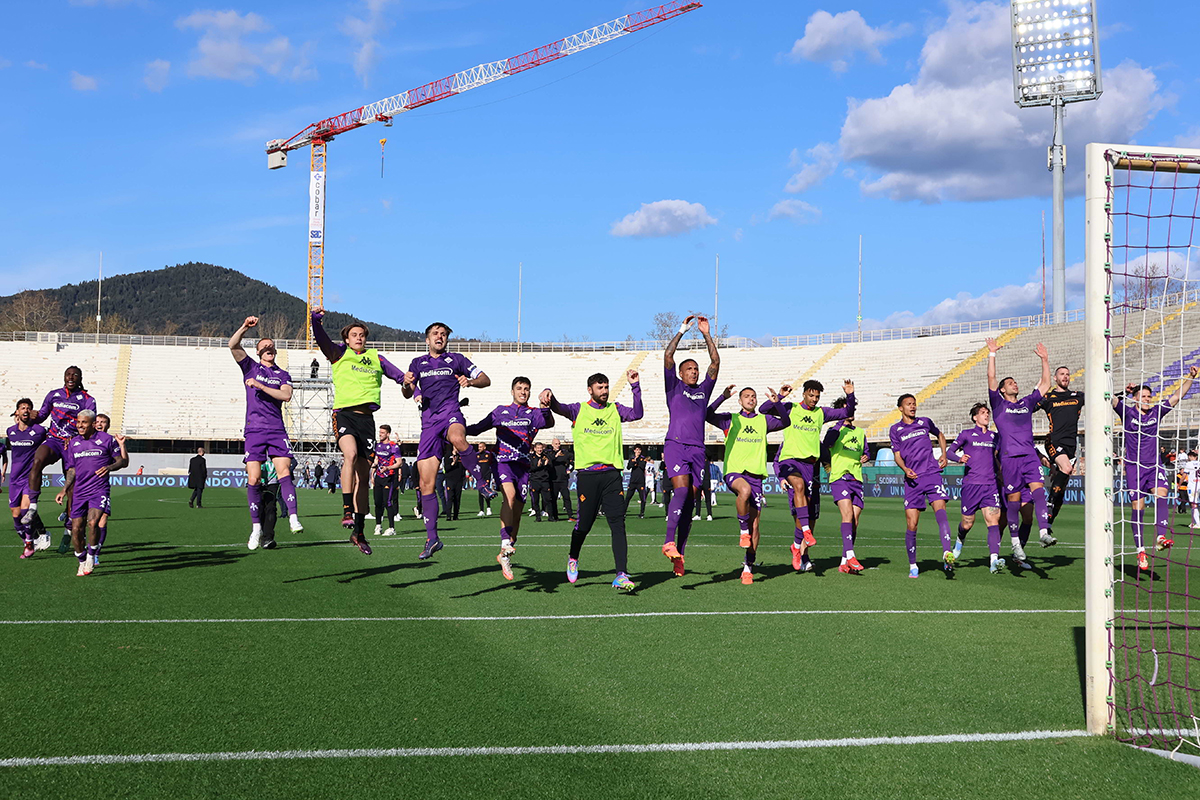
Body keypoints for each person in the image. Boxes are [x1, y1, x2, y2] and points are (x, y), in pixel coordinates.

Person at [311, 309, 407, 555]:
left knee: (364, 478)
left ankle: (359, 532)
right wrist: (315, 321)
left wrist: (410, 384)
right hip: (344, 414)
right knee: (350, 455)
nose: (359, 338)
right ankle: (346, 510)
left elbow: (399, 376)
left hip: (367, 420)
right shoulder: (339, 353)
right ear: (346, 339)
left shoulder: (376, 358)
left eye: (362, 335)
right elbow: (321, 339)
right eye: (354, 335)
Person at [542, 370, 644, 591]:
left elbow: (637, 414)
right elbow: (559, 407)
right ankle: (573, 557)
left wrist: (635, 387)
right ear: (590, 390)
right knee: (584, 525)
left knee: (618, 523)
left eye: (606, 387)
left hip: (612, 475)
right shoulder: (579, 409)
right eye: (600, 387)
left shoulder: (615, 409)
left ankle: (621, 574)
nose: (604, 391)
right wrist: (550, 395)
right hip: (588, 476)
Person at [402, 322, 496, 561]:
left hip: (451, 414)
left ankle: (482, 483)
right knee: (426, 485)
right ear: (427, 339)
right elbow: (408, 391)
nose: (440, 337)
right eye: (435, 334)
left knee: (457, 437)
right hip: (429, 425)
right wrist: (408, 386)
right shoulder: (417, 363)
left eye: (443, 334)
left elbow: (485, 379)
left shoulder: (457, 359)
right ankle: (432, 538)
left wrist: (470, 382)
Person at [465, 376, 555, 580]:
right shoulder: (500, 411)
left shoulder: (533, 413)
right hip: (502, 462)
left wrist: (546, 406)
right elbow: (478, 428)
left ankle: (505, 552)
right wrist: (458, 428)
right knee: (510, 496)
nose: (523, 392)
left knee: (518, 511)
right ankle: (505, 541)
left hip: (523, 466)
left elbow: (549, 422)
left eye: (526, 389)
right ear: (512, 391)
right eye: (519, 388)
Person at [230, 316, 303, 551]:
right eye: (264, 346)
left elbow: (286, 395)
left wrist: (261, 386)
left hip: (276, 428)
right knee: (253, 479)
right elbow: (233, 345)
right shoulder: (250, 367)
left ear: (275, 351)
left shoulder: (282, 375)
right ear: (258, 351)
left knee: (284, 473)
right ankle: (256, 529)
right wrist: (244, 327)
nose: (268, 348)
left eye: (271, 346)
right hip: (254, 429)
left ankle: (293, 518)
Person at [1113, 368, 1197, 570]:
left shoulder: (1156, 412)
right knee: (1138, 507)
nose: (1147, 399)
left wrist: (1190, 377)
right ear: (1135, 398)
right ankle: (1140, 551)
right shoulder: (1127, 412)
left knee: (1162, 494)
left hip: (1154, 465)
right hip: (1134, 467)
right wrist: (1124, 392)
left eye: (1149, 396)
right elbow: (1110, 399)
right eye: (1143, 396)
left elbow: (1176, 397)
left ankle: (1160, 537)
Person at [706, 384, 789, 583]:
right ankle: (743, 531)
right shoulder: (731, 419)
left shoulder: (764, 420)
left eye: (753, 396)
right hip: (735, 472)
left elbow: (786, 422)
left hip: (756, 476)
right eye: (747, 396)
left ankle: (748, 566)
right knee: (744, 490)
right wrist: (722, 397)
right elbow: (707, 414)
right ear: (740, 400)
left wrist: (778, 402)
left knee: (756, 525)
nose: (751, 399)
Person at [775, 378, 856, 572]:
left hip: (811, 471)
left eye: (817, 397)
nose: (814, 399)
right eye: (811, 395)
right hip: (792, 465)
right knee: (799, 498)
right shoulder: (791, 410)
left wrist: (850, 395)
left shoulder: (821, 415)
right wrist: (779, 397)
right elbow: (765, 409)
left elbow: (847, 412)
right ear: (804, 394)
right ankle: (803, 545)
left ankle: (798, 547)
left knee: (811, 515)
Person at [986, 337, 1054, 562]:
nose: (1014, 384)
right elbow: (991, 378)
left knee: (1038, 490)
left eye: (1015, 382)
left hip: (1029, 456)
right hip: (1009, 458)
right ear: (1003, 390)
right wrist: (992, 353)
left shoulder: (1026, 403)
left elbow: (1045, 384)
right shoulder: (998, 404)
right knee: (1013, 502)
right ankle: (1015, 543)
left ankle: (1043, 532)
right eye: (1010, 383)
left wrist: (1045, 359)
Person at [661, 314, 720, 575]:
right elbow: (668, 356)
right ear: (681, 373)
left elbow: (715, 362)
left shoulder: (704, 390)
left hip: (698, 450)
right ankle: (668, 541)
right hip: (676, 445)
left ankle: (679, 555)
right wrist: (683, 330)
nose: (694, 372)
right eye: (690, 369)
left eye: (696, 369)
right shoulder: (673, 386)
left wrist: (706, 334)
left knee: (689, 504)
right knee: (682, 491)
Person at [889, 394, 955, 577]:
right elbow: (897, 455)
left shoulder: (925, 422)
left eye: (914, 404)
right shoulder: (895, 429)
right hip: (913, 480)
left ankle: (947, 552)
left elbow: (939, 435)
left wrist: (944, 455)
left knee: (941, 512)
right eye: (908, 404)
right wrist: (905, 469)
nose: (912, 407)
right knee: (912, 523)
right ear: (901, 408)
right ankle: (913, 565)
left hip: (932, 474)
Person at [21, 366, 95, 527]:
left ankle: (71, 521)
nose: (71, 377)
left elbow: (90, 424)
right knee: (37, 461)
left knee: (72, 483)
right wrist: (32, 416)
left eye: (75, 375)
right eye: (68, 374)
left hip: (73, 444)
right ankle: (33, 507)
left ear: (80, 379)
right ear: (64, 377)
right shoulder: (53, 395)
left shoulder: (87, 399)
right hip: (54, 440)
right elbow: (41, 416)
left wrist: (77, 437)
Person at [55, 409, 127, 576]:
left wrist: (109, 467)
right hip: (79, 491)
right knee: (76, 529)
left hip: (99, 489)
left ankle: (91, 556)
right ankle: (81, 560)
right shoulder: (74, 443)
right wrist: (64, 490)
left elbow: (121, 461)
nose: (80, 425)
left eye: (84, 422)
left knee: (93, 523)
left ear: (93, 424)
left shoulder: (107, 440)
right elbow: (72, 469)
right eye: (78, 422)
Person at [945, 403, 1006, 574]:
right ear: (975, 417)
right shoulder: (966, 434)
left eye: (988, 413)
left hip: (990, 485)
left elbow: (998, 458)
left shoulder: (995, 437)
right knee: (967, 524)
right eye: (983, 413)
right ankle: (959, 542)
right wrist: (959, 459)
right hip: (971, 485)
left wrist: (1001, 473)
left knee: (993, 521)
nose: (986, 415)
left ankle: (993, 561)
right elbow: (949, 452)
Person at [822, 397, 870, 574]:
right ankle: (851, 555)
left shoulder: (860, 432)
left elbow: (866, 452)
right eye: (847, 409)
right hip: (840, 477)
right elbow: (827, 445)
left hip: (856, 478)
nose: (851, 412)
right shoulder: (834, 430)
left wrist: (866, 456)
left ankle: (844, 562)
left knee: (854, 521)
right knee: (847, 515)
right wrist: (838, 423)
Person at [1038, 365, 1084, 535]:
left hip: (1071, 446)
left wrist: (1126, 393)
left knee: (1061, 489)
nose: (1065, 377)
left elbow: (1102, 398)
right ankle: (1048, 504)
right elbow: (1029, 407)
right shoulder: (1049, 398)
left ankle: (1048, 525)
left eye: (1067, 374)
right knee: (1067, 468)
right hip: (1054, 441)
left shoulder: (1077, 396)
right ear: (1055, 378)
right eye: (1062, 374)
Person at [8, 399, 49, 558]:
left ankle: (30, 544)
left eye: (28, 408)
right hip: (14, 479)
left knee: (26, 510)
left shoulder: (39, 430)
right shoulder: (10, 431)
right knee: (16, 516)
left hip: (31, 477)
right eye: (22, 408)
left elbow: (53, 440)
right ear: (17, 412)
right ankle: (33, 538)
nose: (26, 410)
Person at [91, 413, 126, 565]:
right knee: (84, 523)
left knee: (102, 520)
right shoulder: (84, 439)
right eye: (97, 421)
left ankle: (95, 553)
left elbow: (124, 462)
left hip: (101, 487)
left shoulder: (110, 441)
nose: (100, 424)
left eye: (103, 422)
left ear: (108, 425)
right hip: (83, 487)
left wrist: (122, 445)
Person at [372, 425, 401, 535]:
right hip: (378, 477)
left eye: (382, 433)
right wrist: (372, 472)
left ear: (388, 434)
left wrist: (388, 468)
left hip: (388, 477)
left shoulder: (393, 446)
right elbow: (376, 460)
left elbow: (399, 462)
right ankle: (378, 525)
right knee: (377, 502)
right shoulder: (377, 445)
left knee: (387, 502)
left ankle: (391, 528)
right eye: (380, 432)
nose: (380, 434)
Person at [529, 443, 555, 521]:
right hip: (535, 481)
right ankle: (538, 517)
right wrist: (538, 466)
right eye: (538, 448)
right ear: (535, 449)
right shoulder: (531, 457)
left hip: (544, 481)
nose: (539, 450)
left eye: (541, 448)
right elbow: (530, 469)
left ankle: (550, 516)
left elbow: (551, 467)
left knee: (548, 499)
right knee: (535, 500)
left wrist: (546, 465)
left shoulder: (546, 456)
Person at [550, 439, 574, 520]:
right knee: (553, 498)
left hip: (563, 479)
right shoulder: (550, 453)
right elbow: (549, 462)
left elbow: (572, 462)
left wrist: (570, 470)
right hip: (554, 479)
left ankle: (570, 515)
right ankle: (555, 516)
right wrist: (556, 456)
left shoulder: (565, 453)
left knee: (566, 498)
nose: (558, 445)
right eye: (556, 444)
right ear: (552, 444)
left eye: (559, 443)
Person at [625, 445, 649, 518]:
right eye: (636, 450)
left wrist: (637, 461)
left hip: (640, 481)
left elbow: (642, 466)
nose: (638, 451)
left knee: (642, 498)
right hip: (633, 481)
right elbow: (628, 467)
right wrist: (634, 462)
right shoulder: (632, 458)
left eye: (639, 450)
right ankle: (623, 512)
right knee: (628, 497)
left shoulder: (643, 458)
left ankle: (642, 513)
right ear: (634, 450)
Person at [443, 449, 465, 521]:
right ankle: (448, 516)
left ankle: (456, 516)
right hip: (450, 480)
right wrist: (452, 464)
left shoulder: (461, 456)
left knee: (457, 499)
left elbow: (464, 467)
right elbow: (446, 468)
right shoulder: (448, 456)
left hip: (459, 480)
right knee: (450, 498)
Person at [476, 443, 495, 517]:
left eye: (481, 447)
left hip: (487, 476)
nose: (479, 448)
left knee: (487, 492)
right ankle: (481, 510)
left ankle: (488, 508)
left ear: (484, 447)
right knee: (480, 492)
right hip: (479, 477)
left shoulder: (488, 454)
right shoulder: (476, 455)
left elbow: (492, 465)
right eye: (479, 447)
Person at [1181, 451, 1200, 528]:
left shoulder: (1189, 464)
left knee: (1193, 504)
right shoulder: (1199, 463)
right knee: (1194, 504)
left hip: (1193, 486)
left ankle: (1198, 523)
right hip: (1199, 485)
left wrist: (1179, 484)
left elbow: (1184, 475)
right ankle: (1194, 522)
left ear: (1190, 456)